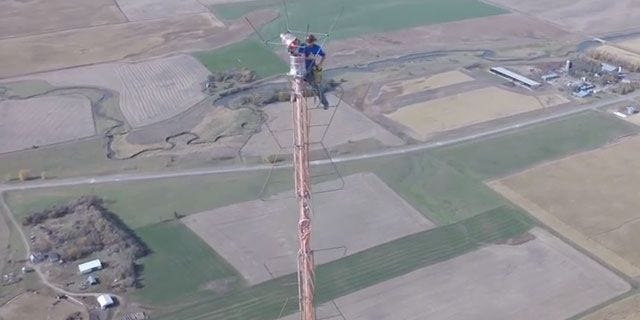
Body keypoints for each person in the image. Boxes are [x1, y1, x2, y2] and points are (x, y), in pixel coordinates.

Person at [298, 34, 330, 109]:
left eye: (310, 42)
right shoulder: (303, 46)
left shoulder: (316, 48)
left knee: (316, 87)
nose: (309, 43)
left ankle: (325, 103)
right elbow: (299, 56)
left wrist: (320, 64)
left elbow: (323, 55)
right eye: (308, 41)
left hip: (310, 70)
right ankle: (297, 102)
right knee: (297, 87)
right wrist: (308, 58)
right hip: (301, 70)